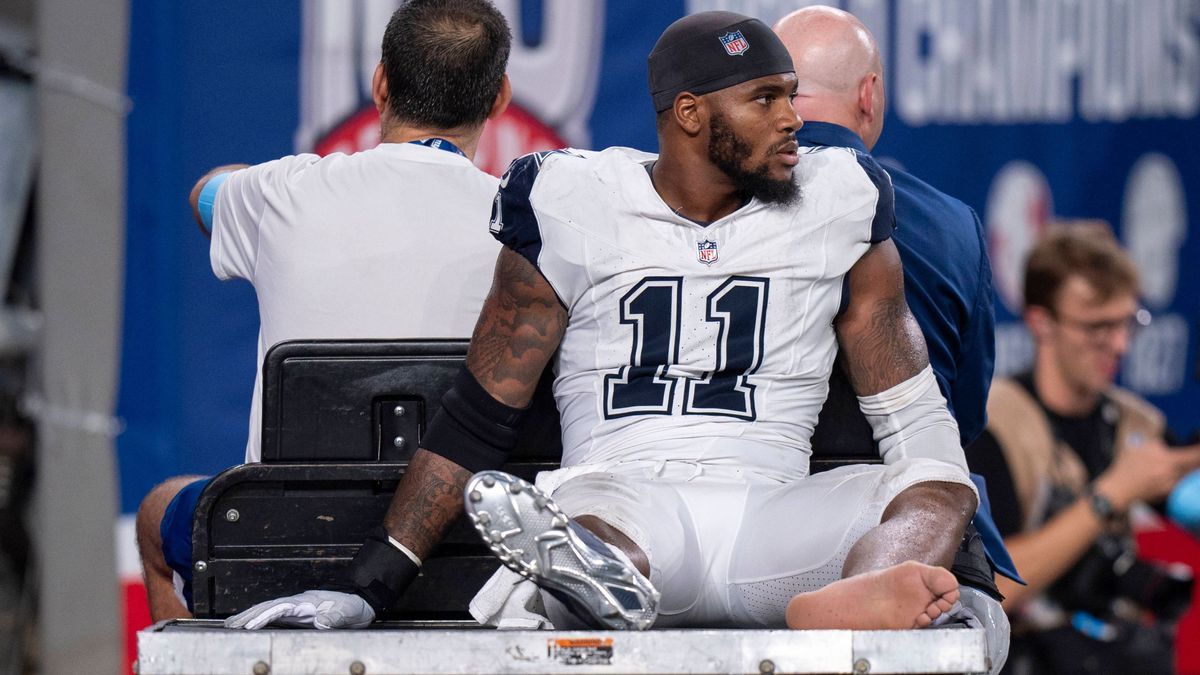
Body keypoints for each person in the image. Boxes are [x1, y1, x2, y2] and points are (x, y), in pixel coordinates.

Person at [228, 10, 979, 633]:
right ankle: (588, 579)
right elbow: (479, 413)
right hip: (628, 497)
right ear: (690, 114)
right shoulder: (572, 198)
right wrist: (374, 581)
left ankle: (873, 587)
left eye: (790, 95)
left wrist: (946, 511)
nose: (793, 120)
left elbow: (910, 413)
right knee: (592, 525)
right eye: (765, 99)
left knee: (935, 482)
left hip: (772, 514)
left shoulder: (840, 196)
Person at [134, 0, 513, 622]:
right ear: (499, 98)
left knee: (158, 514)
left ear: (380, 83)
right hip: (467, 543)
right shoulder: (531, 221)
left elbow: (204, 193)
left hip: (283, 539)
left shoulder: (279, 193)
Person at [771, 6, 1011, 669]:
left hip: (745, 527)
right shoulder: (950, 225)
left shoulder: (705, 210)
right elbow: (960, 421)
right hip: (909, 530)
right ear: (869, 96)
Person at [967, 227, 1200, 673]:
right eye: (1097, 327)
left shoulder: (1135, 422)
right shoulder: (993, 424)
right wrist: (1108, 495)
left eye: (1127, 322)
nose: (1120, 345)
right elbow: (992, 588)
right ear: (1040, 323)